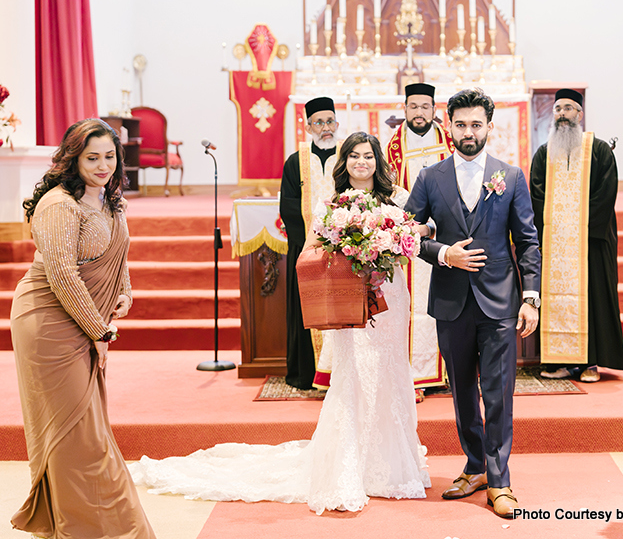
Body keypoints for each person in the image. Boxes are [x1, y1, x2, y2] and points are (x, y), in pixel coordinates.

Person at [130, 131, 431, 515]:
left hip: (390, 301)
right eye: (353, 156)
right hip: (350, 302)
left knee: (389, 373)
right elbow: (317, 249)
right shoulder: (332, 204)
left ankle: (392, 464)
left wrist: (399, 239)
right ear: (345, 163)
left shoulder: (398, 199)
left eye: (368, 156)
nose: (361, 163)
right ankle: (349, 463)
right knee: (354, 375)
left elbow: (414, 238)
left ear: (378, 162)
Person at [10, 119, 156, 538]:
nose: (102, 165)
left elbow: (118, 255)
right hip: (48, 323)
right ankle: (91, 528)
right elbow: (62, 275)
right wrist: (100, 331)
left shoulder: (111, 202)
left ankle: (79, 523)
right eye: (92, 157)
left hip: (86, 318)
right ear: (72, 158)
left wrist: (123, 294)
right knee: (78, 434)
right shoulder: (58, 205)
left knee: (87, 428)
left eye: (109, 156)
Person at [404, 88, 541, 518]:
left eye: (476, 125)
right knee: (462, 391)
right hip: (450, 301)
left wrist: (531, 297)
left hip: (500, 301)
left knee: (497, 392)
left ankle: (500, 480)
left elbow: (527, 241)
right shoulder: (430, 177)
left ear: (489, 127)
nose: (468, 132)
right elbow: (407, 233)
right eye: (460, 124)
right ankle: (476, 464)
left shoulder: (511, 177)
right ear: (449, 125)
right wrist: (445, 253)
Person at [529, 88, 623, 383]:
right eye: (558, 108)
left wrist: (578, 226)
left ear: (579, 115)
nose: (562, 114)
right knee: (557, 299)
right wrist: (555, 227)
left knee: (593, 298)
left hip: (590, 241)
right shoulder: (545, 153)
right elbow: (536, 194)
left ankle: (591, 363)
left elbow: (606, 192)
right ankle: (561, 361)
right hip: (556, 242)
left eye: (568, 108)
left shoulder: (598, 150)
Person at [386, 82, 456, 400]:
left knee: (450, 302)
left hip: (447, 234)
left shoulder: (449, 141)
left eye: (425, 106)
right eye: (413, 107)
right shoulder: (393, 147)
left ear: (434, 109)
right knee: (414, 307)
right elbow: (389, 190)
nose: (419, 113)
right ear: (405, 109)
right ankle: (414, 378)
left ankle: (449, 372)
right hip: (413, 239)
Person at [280, 96, 341, 390]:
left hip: (346, 250)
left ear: (337, 124)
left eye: (329, 121)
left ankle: (341, 375)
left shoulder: (349, 156)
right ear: (308, 126)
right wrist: (316, 238)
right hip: (307, 248)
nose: (325, 128)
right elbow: (288, 207)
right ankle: (306, 374)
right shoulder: (295, 162)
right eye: (319, 122)